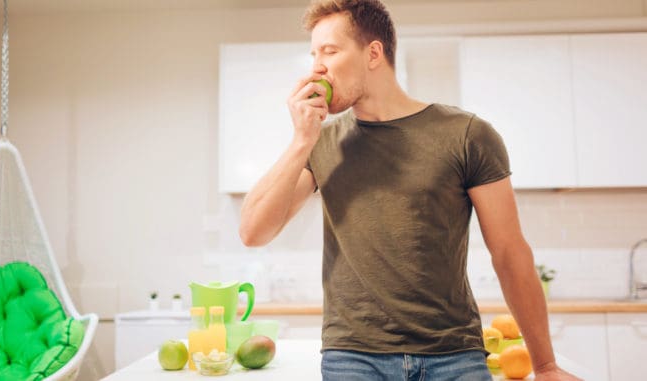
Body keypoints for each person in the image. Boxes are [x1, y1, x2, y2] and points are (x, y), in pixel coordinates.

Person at [239, 1, 581, 380]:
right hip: (354, 356)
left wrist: (545, 365)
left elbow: (509, 252)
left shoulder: (467, 135)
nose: (316, 67)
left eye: (330, 51)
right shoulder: (320, 142)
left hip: (453, 354)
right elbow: (254, 232)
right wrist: (301, 141)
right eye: (314, 54)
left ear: (373, 53)